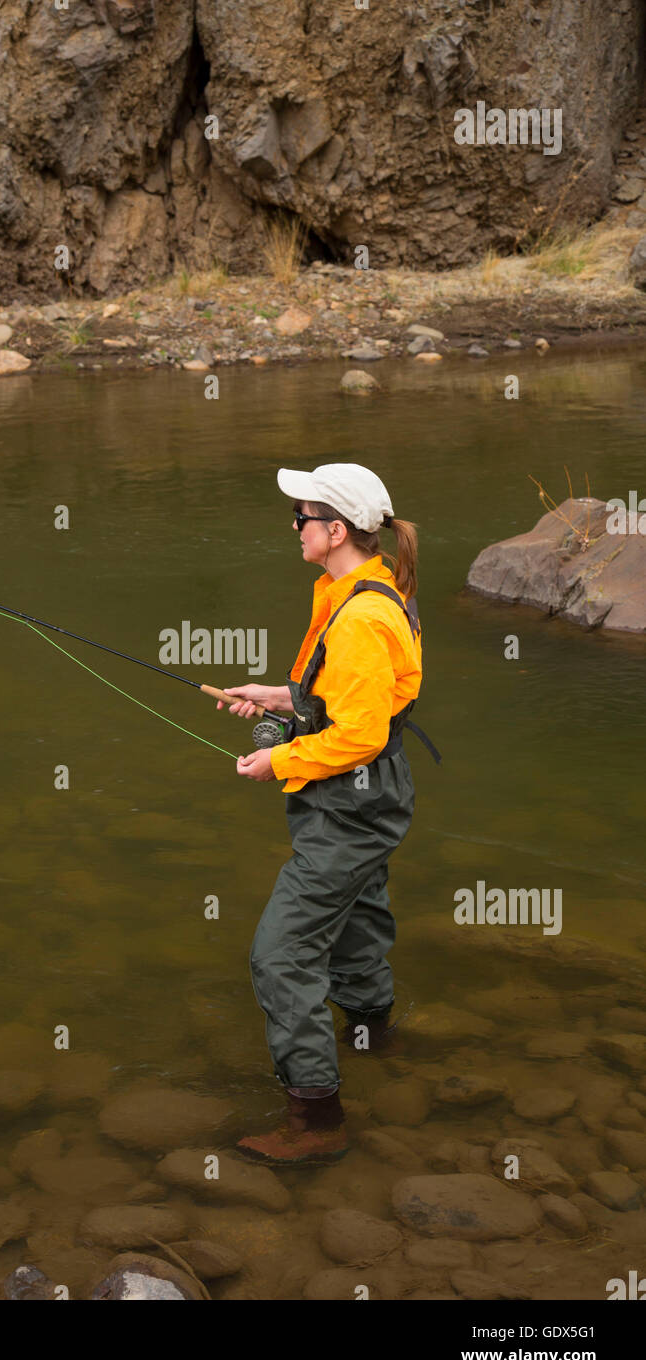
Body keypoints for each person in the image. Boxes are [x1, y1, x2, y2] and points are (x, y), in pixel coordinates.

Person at [217, 463, 432, 1165]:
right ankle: (374, 1035)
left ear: (336, 530)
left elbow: (361, 734)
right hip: (365, 795)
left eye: (302, 517)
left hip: (353, 798)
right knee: (360, 910)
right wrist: (279, 698)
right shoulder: (352, 588)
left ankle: (316, 1122)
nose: (295, 528)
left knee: (280, 957)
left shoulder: (364, 614)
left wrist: (278, 761)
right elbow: (345, 698)